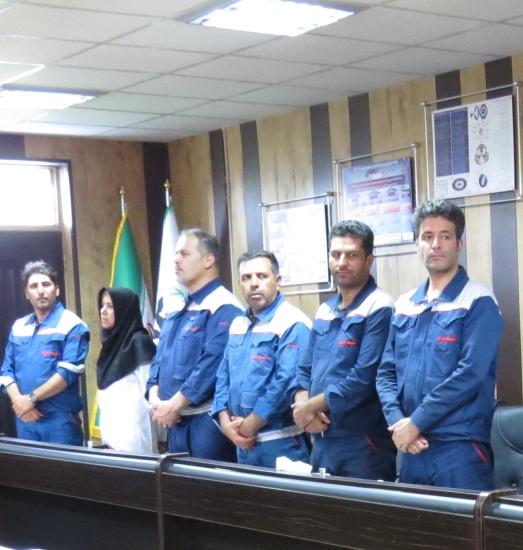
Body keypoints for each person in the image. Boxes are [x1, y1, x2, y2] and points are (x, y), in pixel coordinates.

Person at [377, 200, 503, 491]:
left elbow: (470, 374)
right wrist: (399, 423)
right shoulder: (405, 304)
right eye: (427, 236)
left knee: (462, 523)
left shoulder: (479, 301)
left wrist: (416, 422)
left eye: (445, 236)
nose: (435, 244)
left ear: (459, 244)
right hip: (410, 446)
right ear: (417, 245)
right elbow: (385, 373)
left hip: (459, 448)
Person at [292, 220, 397, 480]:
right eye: (336, 254)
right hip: (321, 436)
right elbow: (304, 370)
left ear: (369, 260)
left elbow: (364, 377)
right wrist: (304, 409)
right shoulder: (325, 310)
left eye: (351, 255)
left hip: (363, 442)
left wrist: (310, 407)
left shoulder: (380, 306)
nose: (342, 262)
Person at [147, 228, 242, 461]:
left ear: (208, 260)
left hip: (206, 422)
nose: (176, 260)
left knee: (209, 484)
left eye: (184, 254)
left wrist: (174, 405)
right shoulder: (178, 307)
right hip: (175, 421)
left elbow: (210, 366)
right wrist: (154, 397)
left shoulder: (224, 306)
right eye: (176, 253)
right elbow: (160, 358)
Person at [215, 250, 312, 468]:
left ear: (277, 281)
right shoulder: (238, 324)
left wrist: (249, 426)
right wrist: (225, 423)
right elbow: (223, 377)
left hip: (281, 443)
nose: (254, 283)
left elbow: (285, 383)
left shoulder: (292, 322)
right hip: (242, 443)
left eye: (262, 276)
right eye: (246, 278)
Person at [0, 260, 89, 445]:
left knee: (62, 465)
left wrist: (31, 399)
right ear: (26, 293)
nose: (40, 290)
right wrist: (21, 403)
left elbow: (67, 373)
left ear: (57, 289)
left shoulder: (73, 325)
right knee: (29, 466)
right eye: (34, 286)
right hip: (26, 418)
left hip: (59, 421)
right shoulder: (19, 327)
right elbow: (6, 371)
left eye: (46, 284)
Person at [94, 285, 155, 453]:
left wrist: (162, 434)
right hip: (112, 437)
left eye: (110, 306)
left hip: (135, 440)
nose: (103, 311)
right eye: (102, 305)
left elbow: (151, 391)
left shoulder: (139, 342)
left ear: (124, 309)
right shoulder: (110, 341)